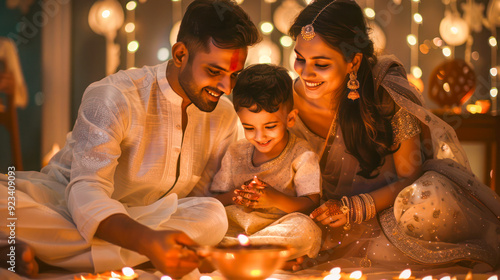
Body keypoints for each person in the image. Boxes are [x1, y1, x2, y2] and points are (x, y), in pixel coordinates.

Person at [0, 0, 260, 278]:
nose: (226, 87)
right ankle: (73, 256)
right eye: (214, 71)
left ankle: (38, 253)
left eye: (234, 75)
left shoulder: (223, 116)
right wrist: (147, 242)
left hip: (149, 219)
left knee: (211, 216)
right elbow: (85, 194)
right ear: (180, 54)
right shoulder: (115, 96)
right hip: (62, 206)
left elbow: (199, 198)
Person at [239, 0, 500, 271]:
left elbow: (410, 177)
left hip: (385, 210)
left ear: (354, 61)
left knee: (428, 200)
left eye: (321, 63)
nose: (306, 72)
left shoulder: (385, 94)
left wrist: (358, 207)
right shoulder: (287, 100)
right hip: (320, 214)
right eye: (300, 58)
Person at [210, 64, 322, 259]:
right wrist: (237, 196)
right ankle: (255, 255)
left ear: (290, 118)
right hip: (235, 228)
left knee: (306, 231)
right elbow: (217, 201)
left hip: (277, 228)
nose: (260, 136)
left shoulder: (302, 154)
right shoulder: (236, 152)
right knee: (202, 217)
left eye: (270, 126)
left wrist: (274, 199)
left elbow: (311, 206)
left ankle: (237, 254)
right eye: (249, 127)